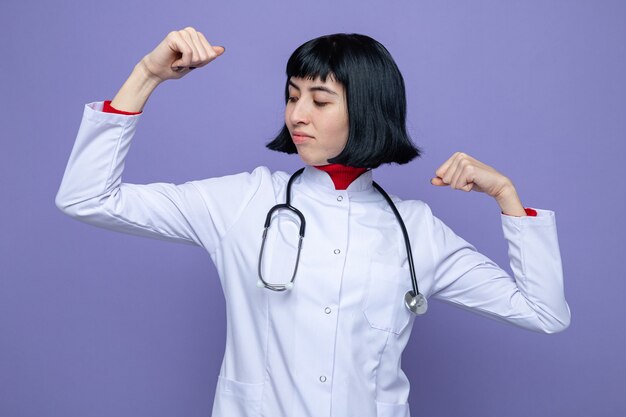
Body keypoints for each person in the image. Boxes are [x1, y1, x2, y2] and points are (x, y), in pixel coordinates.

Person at [56, 27, 570, 417]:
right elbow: (87, 197)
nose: (297, 114)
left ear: (367, 110)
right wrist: (146, 75)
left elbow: (545, 313)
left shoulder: (417, 230)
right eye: (292, 95)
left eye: (319, 100)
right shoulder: (244, 201)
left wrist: (506, 196)